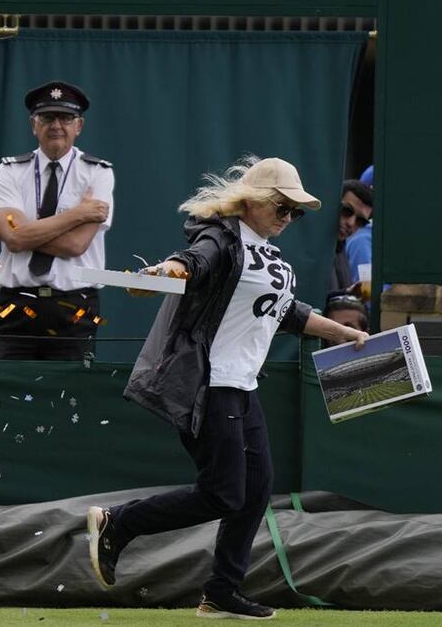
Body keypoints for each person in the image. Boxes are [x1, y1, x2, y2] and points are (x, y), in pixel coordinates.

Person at [86, 156, 369, 620]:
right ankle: (119, 523)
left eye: (295, 212)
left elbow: (286, 311)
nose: (288, 218)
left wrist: (344, 333)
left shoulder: (268, 252)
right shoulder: (222, 237)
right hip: (209, 384)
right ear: (253, 201)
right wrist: (166, 273)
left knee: (256, 490)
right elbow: (193, 262)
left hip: (241, 386)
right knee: (223, 493)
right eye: (281, 207)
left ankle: (221, 591)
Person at [0, 80, 114, 360]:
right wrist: (78, 214)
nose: (56, 125)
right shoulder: (8, 171)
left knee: (71, 388)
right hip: (16, 304)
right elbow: (15, 239)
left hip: (75, 306)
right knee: (7, 386)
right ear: (34, 124)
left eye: (65, 117)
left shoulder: (98, 173)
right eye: (47, 117)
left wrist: (17, 233)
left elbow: (76, 245)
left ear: (79, 126)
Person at [330, 179, 373, 292]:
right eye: (347, 211)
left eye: (360, 221)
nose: (351, 223)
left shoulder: (340, 247)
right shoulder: (312, 245)